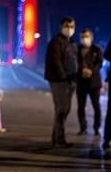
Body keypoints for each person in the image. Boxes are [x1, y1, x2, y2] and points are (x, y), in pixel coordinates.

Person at [45, 16, 78, 148]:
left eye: (71, 26)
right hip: (59, 81)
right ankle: (59, 140)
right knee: (61, 109)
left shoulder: (72, 43)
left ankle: (56, 138)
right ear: (61, 27)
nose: (69, 29)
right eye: (66, 26)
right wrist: (64, 77)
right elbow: (56, 61)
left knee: (66, 109)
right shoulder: (56, 42)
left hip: (71, 81)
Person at [76, 28, 103, 135]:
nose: (84, 39)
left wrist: (91, 71)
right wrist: (81, 70)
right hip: (81, 81)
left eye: (86, 37)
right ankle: (83, 127)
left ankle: (96, 128)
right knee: (81, 106)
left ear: (91, 37)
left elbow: (99, 63)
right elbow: (74, 62)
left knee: (96, 105)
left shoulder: (97, 49)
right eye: (82, 37)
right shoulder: (76, 49)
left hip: (94, 82)